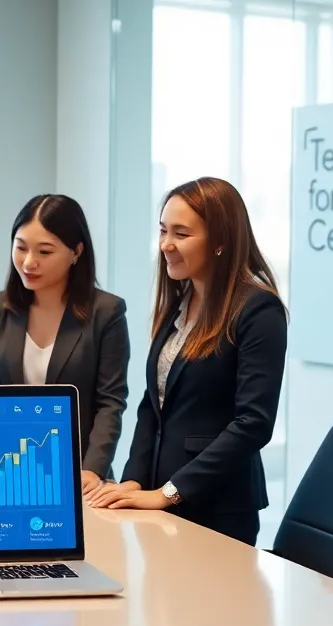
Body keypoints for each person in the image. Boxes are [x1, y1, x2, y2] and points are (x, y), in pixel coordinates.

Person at [88, 177, 287, 546]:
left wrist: (169, 492)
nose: (166, 245)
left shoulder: (259, 310)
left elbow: (253, 424)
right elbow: (155, 404)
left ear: (221, 242)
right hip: (158, 503)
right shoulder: (180, 302)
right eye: (163, 231)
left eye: (181, 233)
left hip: (217, 507)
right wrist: (134, 479)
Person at [0, 194, 130, 492]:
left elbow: (110, 402)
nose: (29, 262)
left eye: (45, 252)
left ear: (76, 252)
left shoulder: (106, 313)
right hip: (8, 473)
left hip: (80, 475)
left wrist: (92, 470)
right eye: (20, 248)